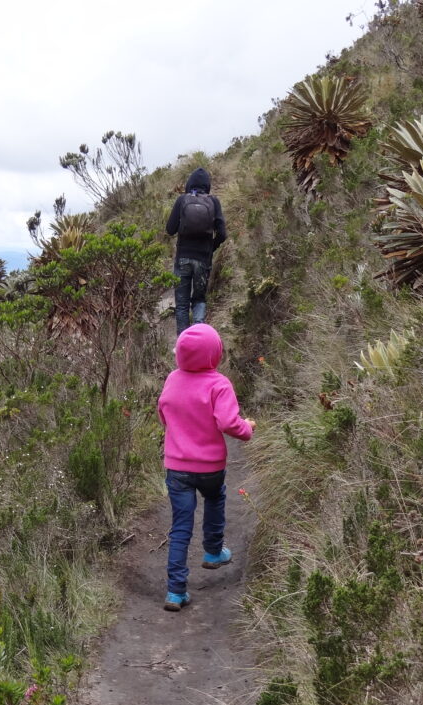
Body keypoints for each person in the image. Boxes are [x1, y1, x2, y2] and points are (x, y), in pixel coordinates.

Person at [157, 323, 254, 611]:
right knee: (214, 498)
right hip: (210, 466)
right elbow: (227, 422)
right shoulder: (219, 383)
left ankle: (175, 592)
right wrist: (246, 429)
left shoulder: (172, 379)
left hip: (177, 468)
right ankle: (213, 552)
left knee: (180, 526)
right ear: (215, 354)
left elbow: (164, 412)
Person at [165, 167, 227, 335]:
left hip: (183, 259)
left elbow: (170, 229)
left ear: (189, 184)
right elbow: (222, 234)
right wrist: (210, 249)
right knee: (199, 300)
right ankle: (200, 340)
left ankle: (183, 348)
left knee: (182, 304)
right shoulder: (213, 202)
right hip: (203, 260)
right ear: (207, 185)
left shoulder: (182, 200)